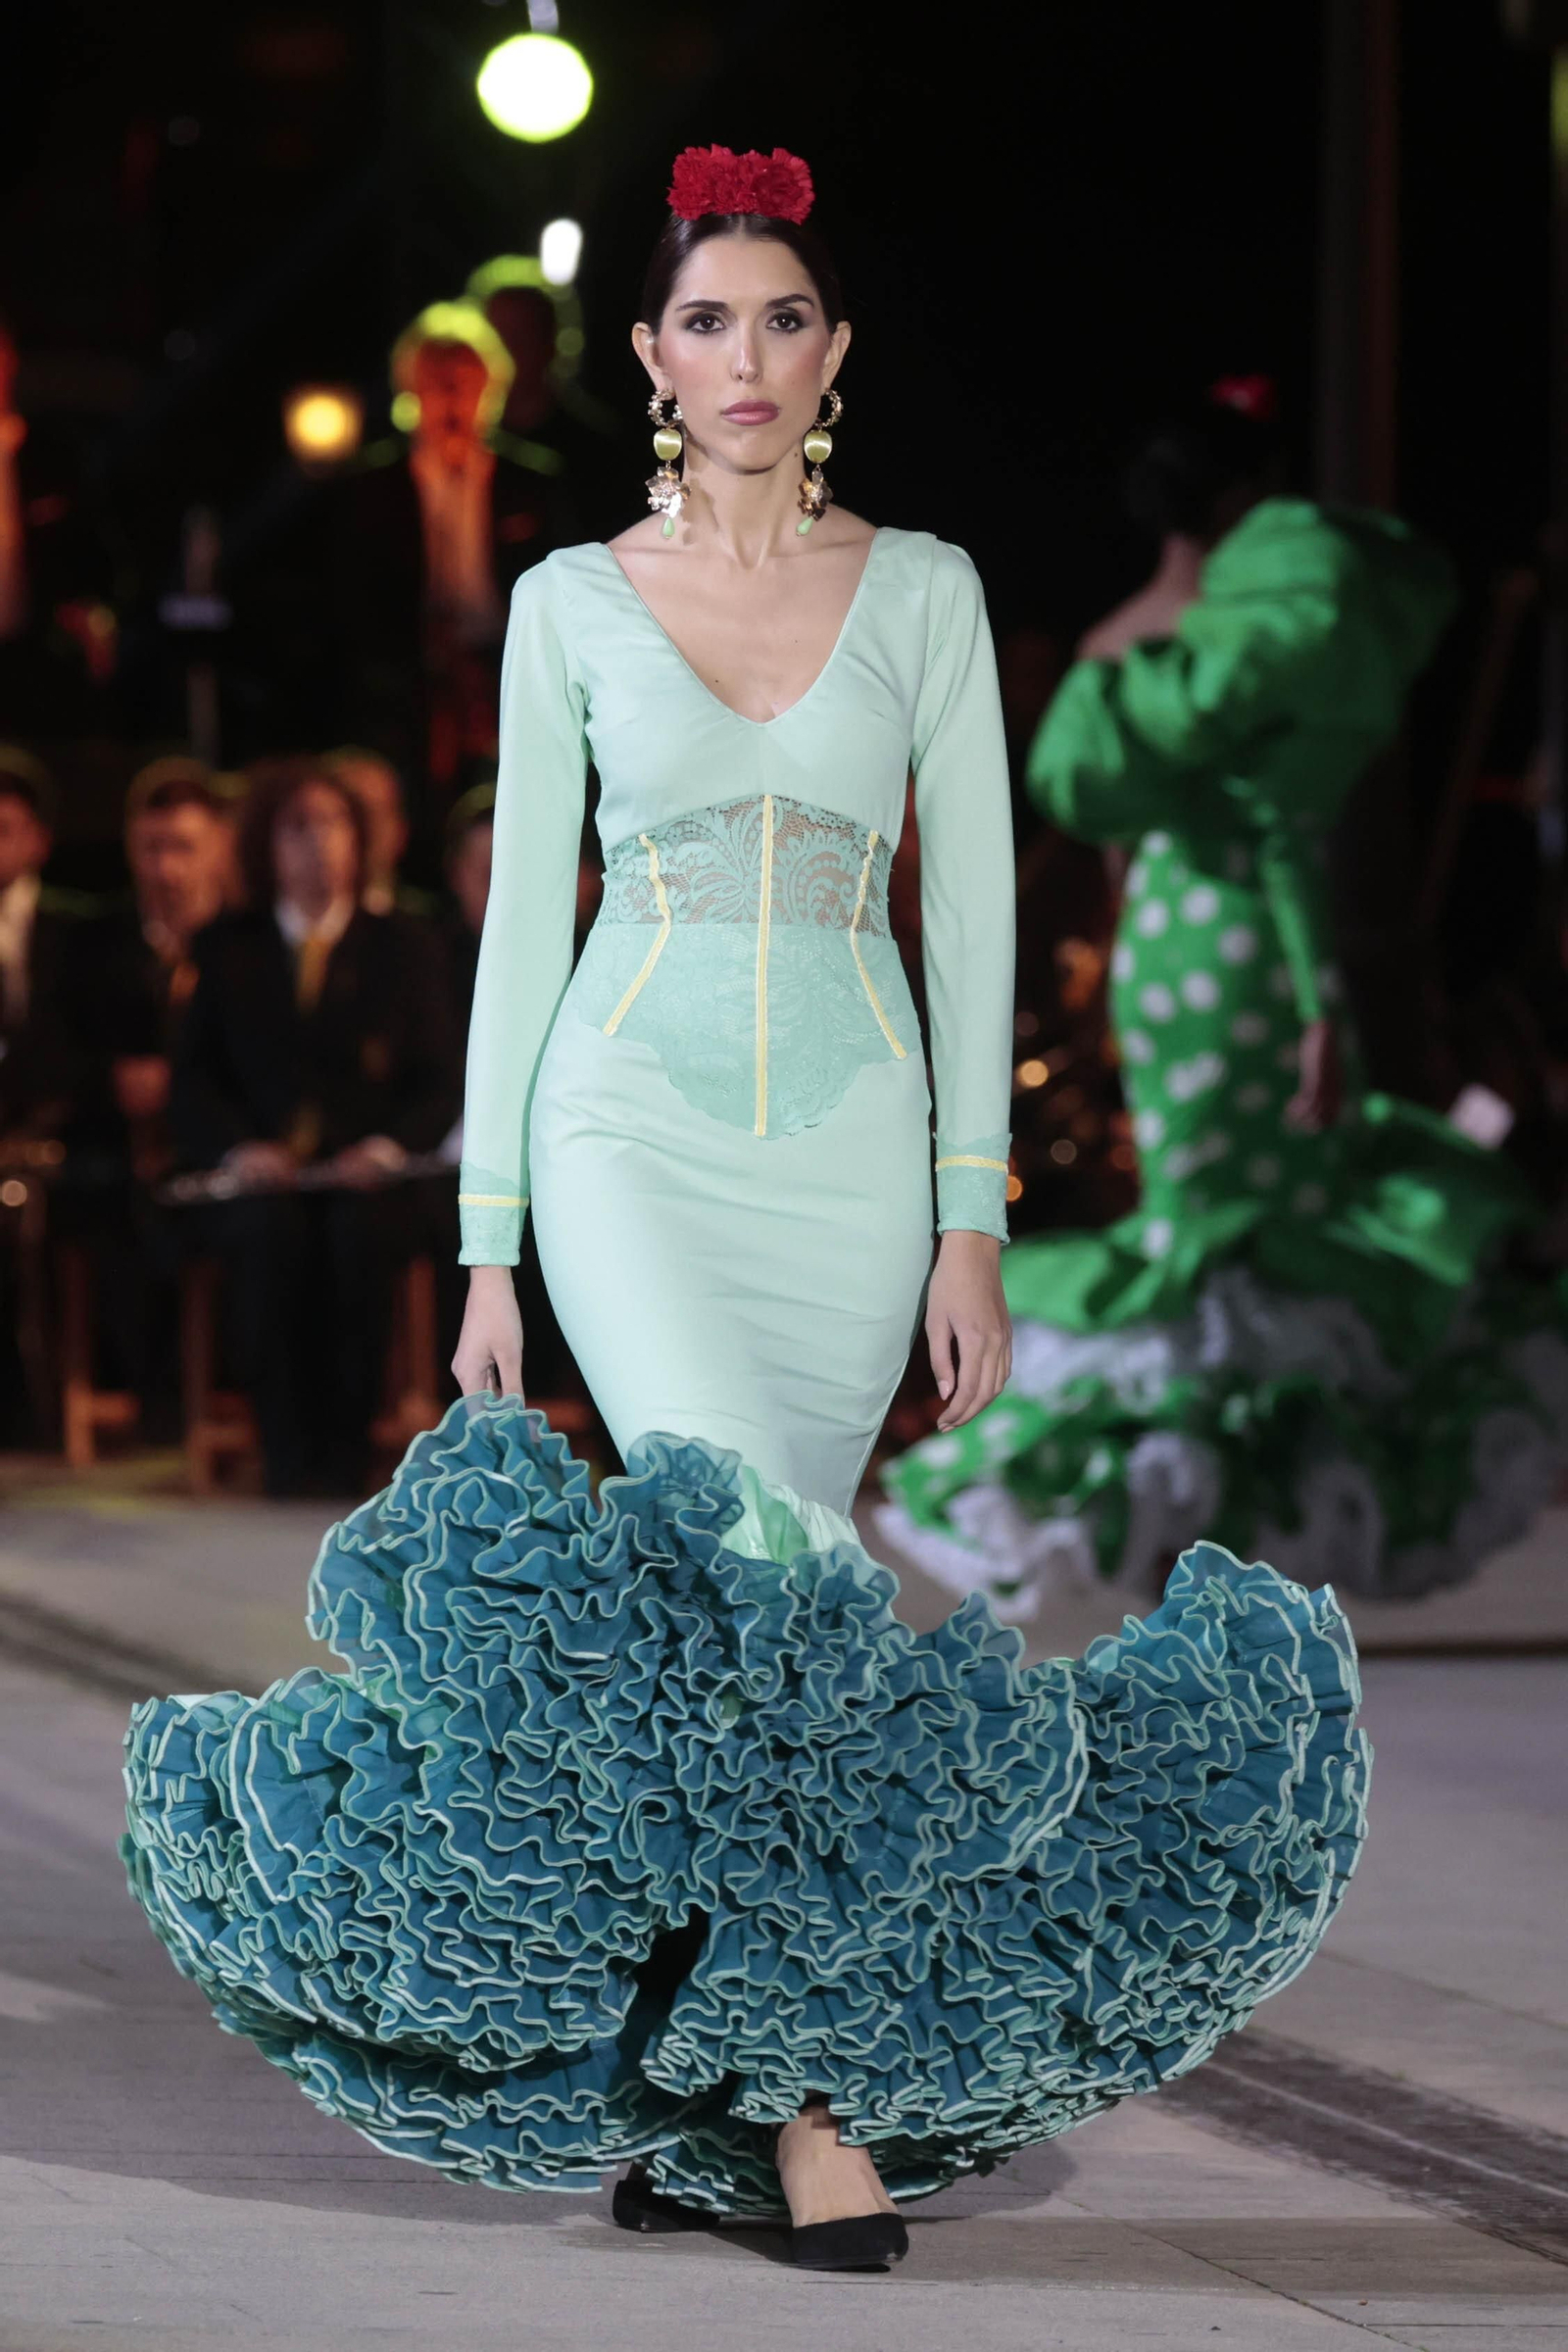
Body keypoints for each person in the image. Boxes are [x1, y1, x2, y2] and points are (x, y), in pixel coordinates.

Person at [123, 153, 1368, 2273]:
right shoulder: (570, 604)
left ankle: (678, 2082)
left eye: (784, 319)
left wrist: (968, 1221)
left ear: (836, 355)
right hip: (625, 1138)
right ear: (648, 359)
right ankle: (798, 2110)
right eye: (708, 321)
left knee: (746, 1631)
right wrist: (490, 1241)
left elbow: (967, 914)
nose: (748, 358)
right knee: (767, 1579)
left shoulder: (929, 591)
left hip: (859, 1159)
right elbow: (526, 927)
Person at [881, 393, 1568, 1612]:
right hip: (1252, 940)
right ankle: (1224, 1526)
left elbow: (1109, 847)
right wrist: (1317, 998)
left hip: (1166, 951)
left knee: (1209, 1226)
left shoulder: (1118, 642)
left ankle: (1185, 1528)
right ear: (1249, 498)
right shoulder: (1266, 626)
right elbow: (1276, 826)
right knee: (1250, 1230)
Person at [170, 757, 461, 1492]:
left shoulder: (404, 946)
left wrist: (388, 1147)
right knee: (271, 1237)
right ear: (267, 845)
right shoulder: (225, 948)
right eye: (297, 827)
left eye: (332, 825)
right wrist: (241, 1148)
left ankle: (347, 1444)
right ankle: (285, 1449)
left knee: (357, 1234)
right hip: (261, 1180)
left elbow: (439, 1080)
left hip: (368, 1177)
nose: (317, 844)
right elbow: (194, 1081)